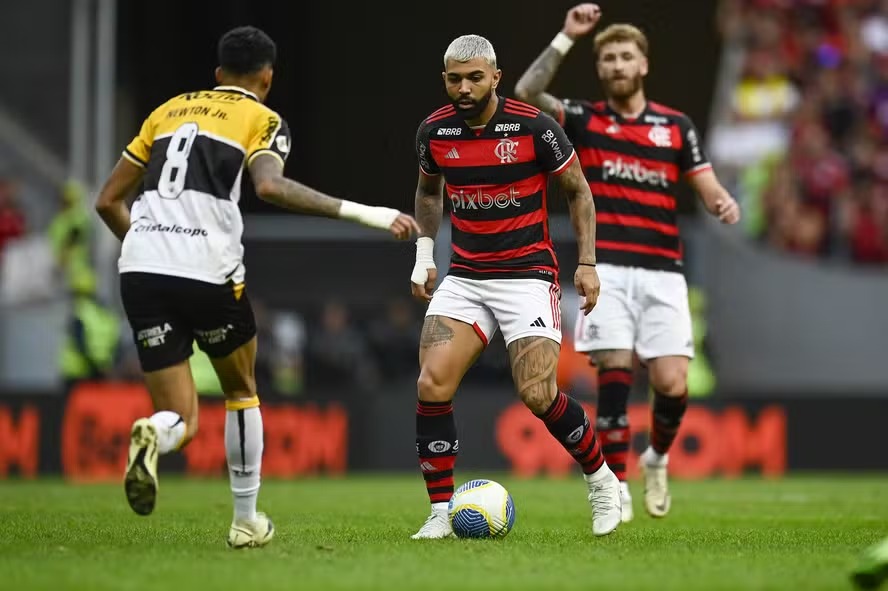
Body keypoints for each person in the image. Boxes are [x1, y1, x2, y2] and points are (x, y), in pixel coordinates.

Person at [95, 25, 419, 548]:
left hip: (141, 267)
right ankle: (245, 520)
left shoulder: (167, 110)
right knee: (241, 391)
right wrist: (368, 214)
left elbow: (107, 201)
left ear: (218, 74)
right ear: (267, 78)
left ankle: (155, 431)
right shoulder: (262, 118)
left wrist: (153, 244)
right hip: (206, 268)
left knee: (180, 414)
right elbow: (269, 185)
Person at [515, 4, 741, 522]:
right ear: (601, 70)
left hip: (663, 269)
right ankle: (614, 489)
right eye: (609, 58)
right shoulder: (585, 119)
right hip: (608, 266)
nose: (617, 65)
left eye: (626, 57)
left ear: (643, 65)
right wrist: (567, 37)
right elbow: (526, 94)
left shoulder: (674, 127)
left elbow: (704, 183)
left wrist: (721, 201)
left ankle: (656, 458)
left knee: (671, 385)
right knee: (613, 374)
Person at [408, 33, 621, 540]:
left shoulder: (534, 128)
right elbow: (427, 191)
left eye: (474, 77)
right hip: (466, 276)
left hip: (527, 274)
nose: (464, 87)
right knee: (431, 384)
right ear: (444, 79)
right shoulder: (434, 132)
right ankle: (440, 513)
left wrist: (587, 263)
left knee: (538, 393)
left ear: (495, 78)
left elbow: (579, 193)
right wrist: (423, 254)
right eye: (455, 78)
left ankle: (602, 479)